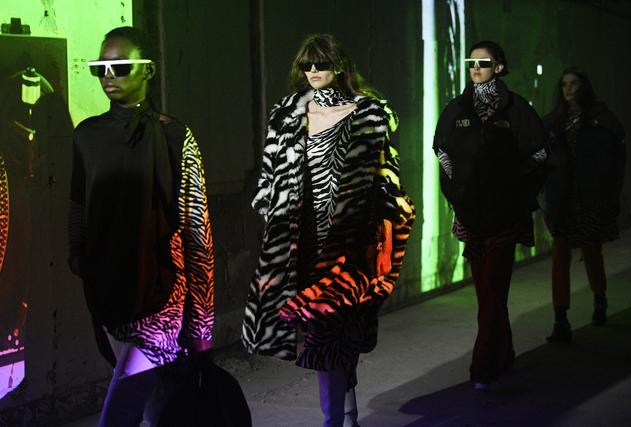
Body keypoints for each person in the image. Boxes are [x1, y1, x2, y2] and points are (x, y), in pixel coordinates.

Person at [241, 34, 414, 426]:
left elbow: (387, 176)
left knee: (335, 333)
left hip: (349, 243)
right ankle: (341, 414)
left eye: (322, 63)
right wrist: (273, 218)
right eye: (307, 64)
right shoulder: (287, 113)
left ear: (339, 66)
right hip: (300, 243)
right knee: (324, 333)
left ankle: (337, 416)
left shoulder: (367, 113)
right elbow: (269, 178)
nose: (314, 71)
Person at [68, 26, 214, 426]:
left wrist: (202, 328)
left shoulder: (173, 136)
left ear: (148, 70)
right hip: (107, 293)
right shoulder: (87, 136)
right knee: (153, 409)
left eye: (120, 66)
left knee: (119, 414)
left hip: (162, 294)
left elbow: (197, 231)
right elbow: (78, 204)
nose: (108, 75)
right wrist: (78, 256)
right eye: (99, 67)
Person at [433, 40, 548, 389]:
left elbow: (540, 152)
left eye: (483, 63)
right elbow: (442, 150)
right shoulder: (458, 108)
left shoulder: (516, 109)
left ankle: (482, 364)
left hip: (504, 216)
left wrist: (515, 188)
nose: (475, 68)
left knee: (494, 288)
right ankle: (504, 352)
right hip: (471, 214)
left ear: (498, 67)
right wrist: (458, 193)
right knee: (488, 291)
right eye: (471, 62)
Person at [542, 67, 625, 343]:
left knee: (591, 251)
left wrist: (610, 196)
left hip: (590, 197)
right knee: (561, 255)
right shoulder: (553, 122)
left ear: (583, 86)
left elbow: (615, 160)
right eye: (564, 84)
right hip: (563, 199)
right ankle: (560, 318)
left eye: (574, 83)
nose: (568, 89)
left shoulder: (600, 119)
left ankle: (599, 299)